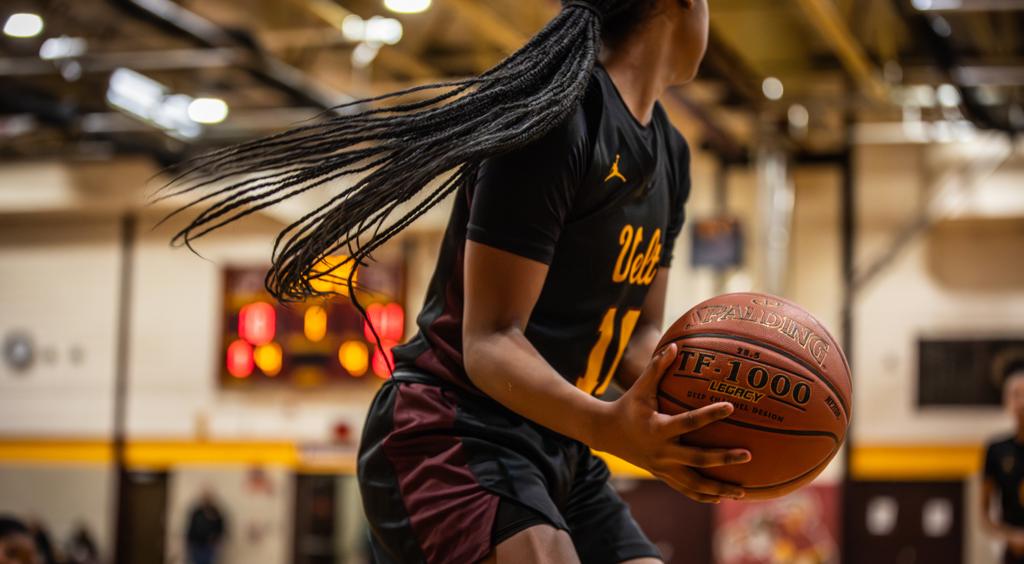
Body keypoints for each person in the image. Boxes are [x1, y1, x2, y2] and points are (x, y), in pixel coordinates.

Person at [163, 0, 751, 562]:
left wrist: (714, 412)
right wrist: (610, 428)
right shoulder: (556, 116)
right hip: (452, 431)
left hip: (558, 441)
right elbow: (490, 341)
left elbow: (641, 334)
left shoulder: (670, 152)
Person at [983, 362, 1024, 564]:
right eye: (1017, 394)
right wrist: (1009, 536)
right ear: (1007, 401)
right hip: (1013, 553)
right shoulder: (996, 449)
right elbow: (984, 514)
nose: (1023, 401)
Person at [185, 491, 227, 564]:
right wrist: (190, 540)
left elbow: (220, 527)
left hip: (209, 545)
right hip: (196, 544)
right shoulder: (197, 512)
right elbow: (191, 526)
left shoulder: (215, 512)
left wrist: (216, 538)